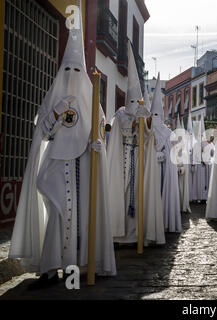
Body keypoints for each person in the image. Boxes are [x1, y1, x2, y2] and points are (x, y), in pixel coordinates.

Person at [8, 10, 116, 289]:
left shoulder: (93, 102)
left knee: (81, 219)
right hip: (56, 167)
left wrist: (98, 146)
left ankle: (75, 268)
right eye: (67, 70)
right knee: (56, 217)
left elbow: (100, 130)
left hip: (82, 169)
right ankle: (49, 268)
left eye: (76, 71)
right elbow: (42, 132)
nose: (72, 76)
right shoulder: (53, 98)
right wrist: (56, 113)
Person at [107, 42, 165, 247]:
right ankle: (117, 233)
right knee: (120, 196)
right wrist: (134, 123)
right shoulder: (120, 114)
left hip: (139, 159)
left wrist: (146, 123)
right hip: (122, 160)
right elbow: (121, 131)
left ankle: (136, 234)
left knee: (139, 195)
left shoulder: (145, 113)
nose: (134, 105)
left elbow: (149, 136)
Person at [151, 74, 182, 233]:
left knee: (162, 192)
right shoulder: (145, 129)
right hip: (149, 170)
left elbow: (170, 153)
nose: (155, 118)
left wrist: (161, 156)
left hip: (163, 169)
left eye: (157, 115)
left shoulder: (167, 132)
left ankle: (163, 219)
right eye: (153, 114)